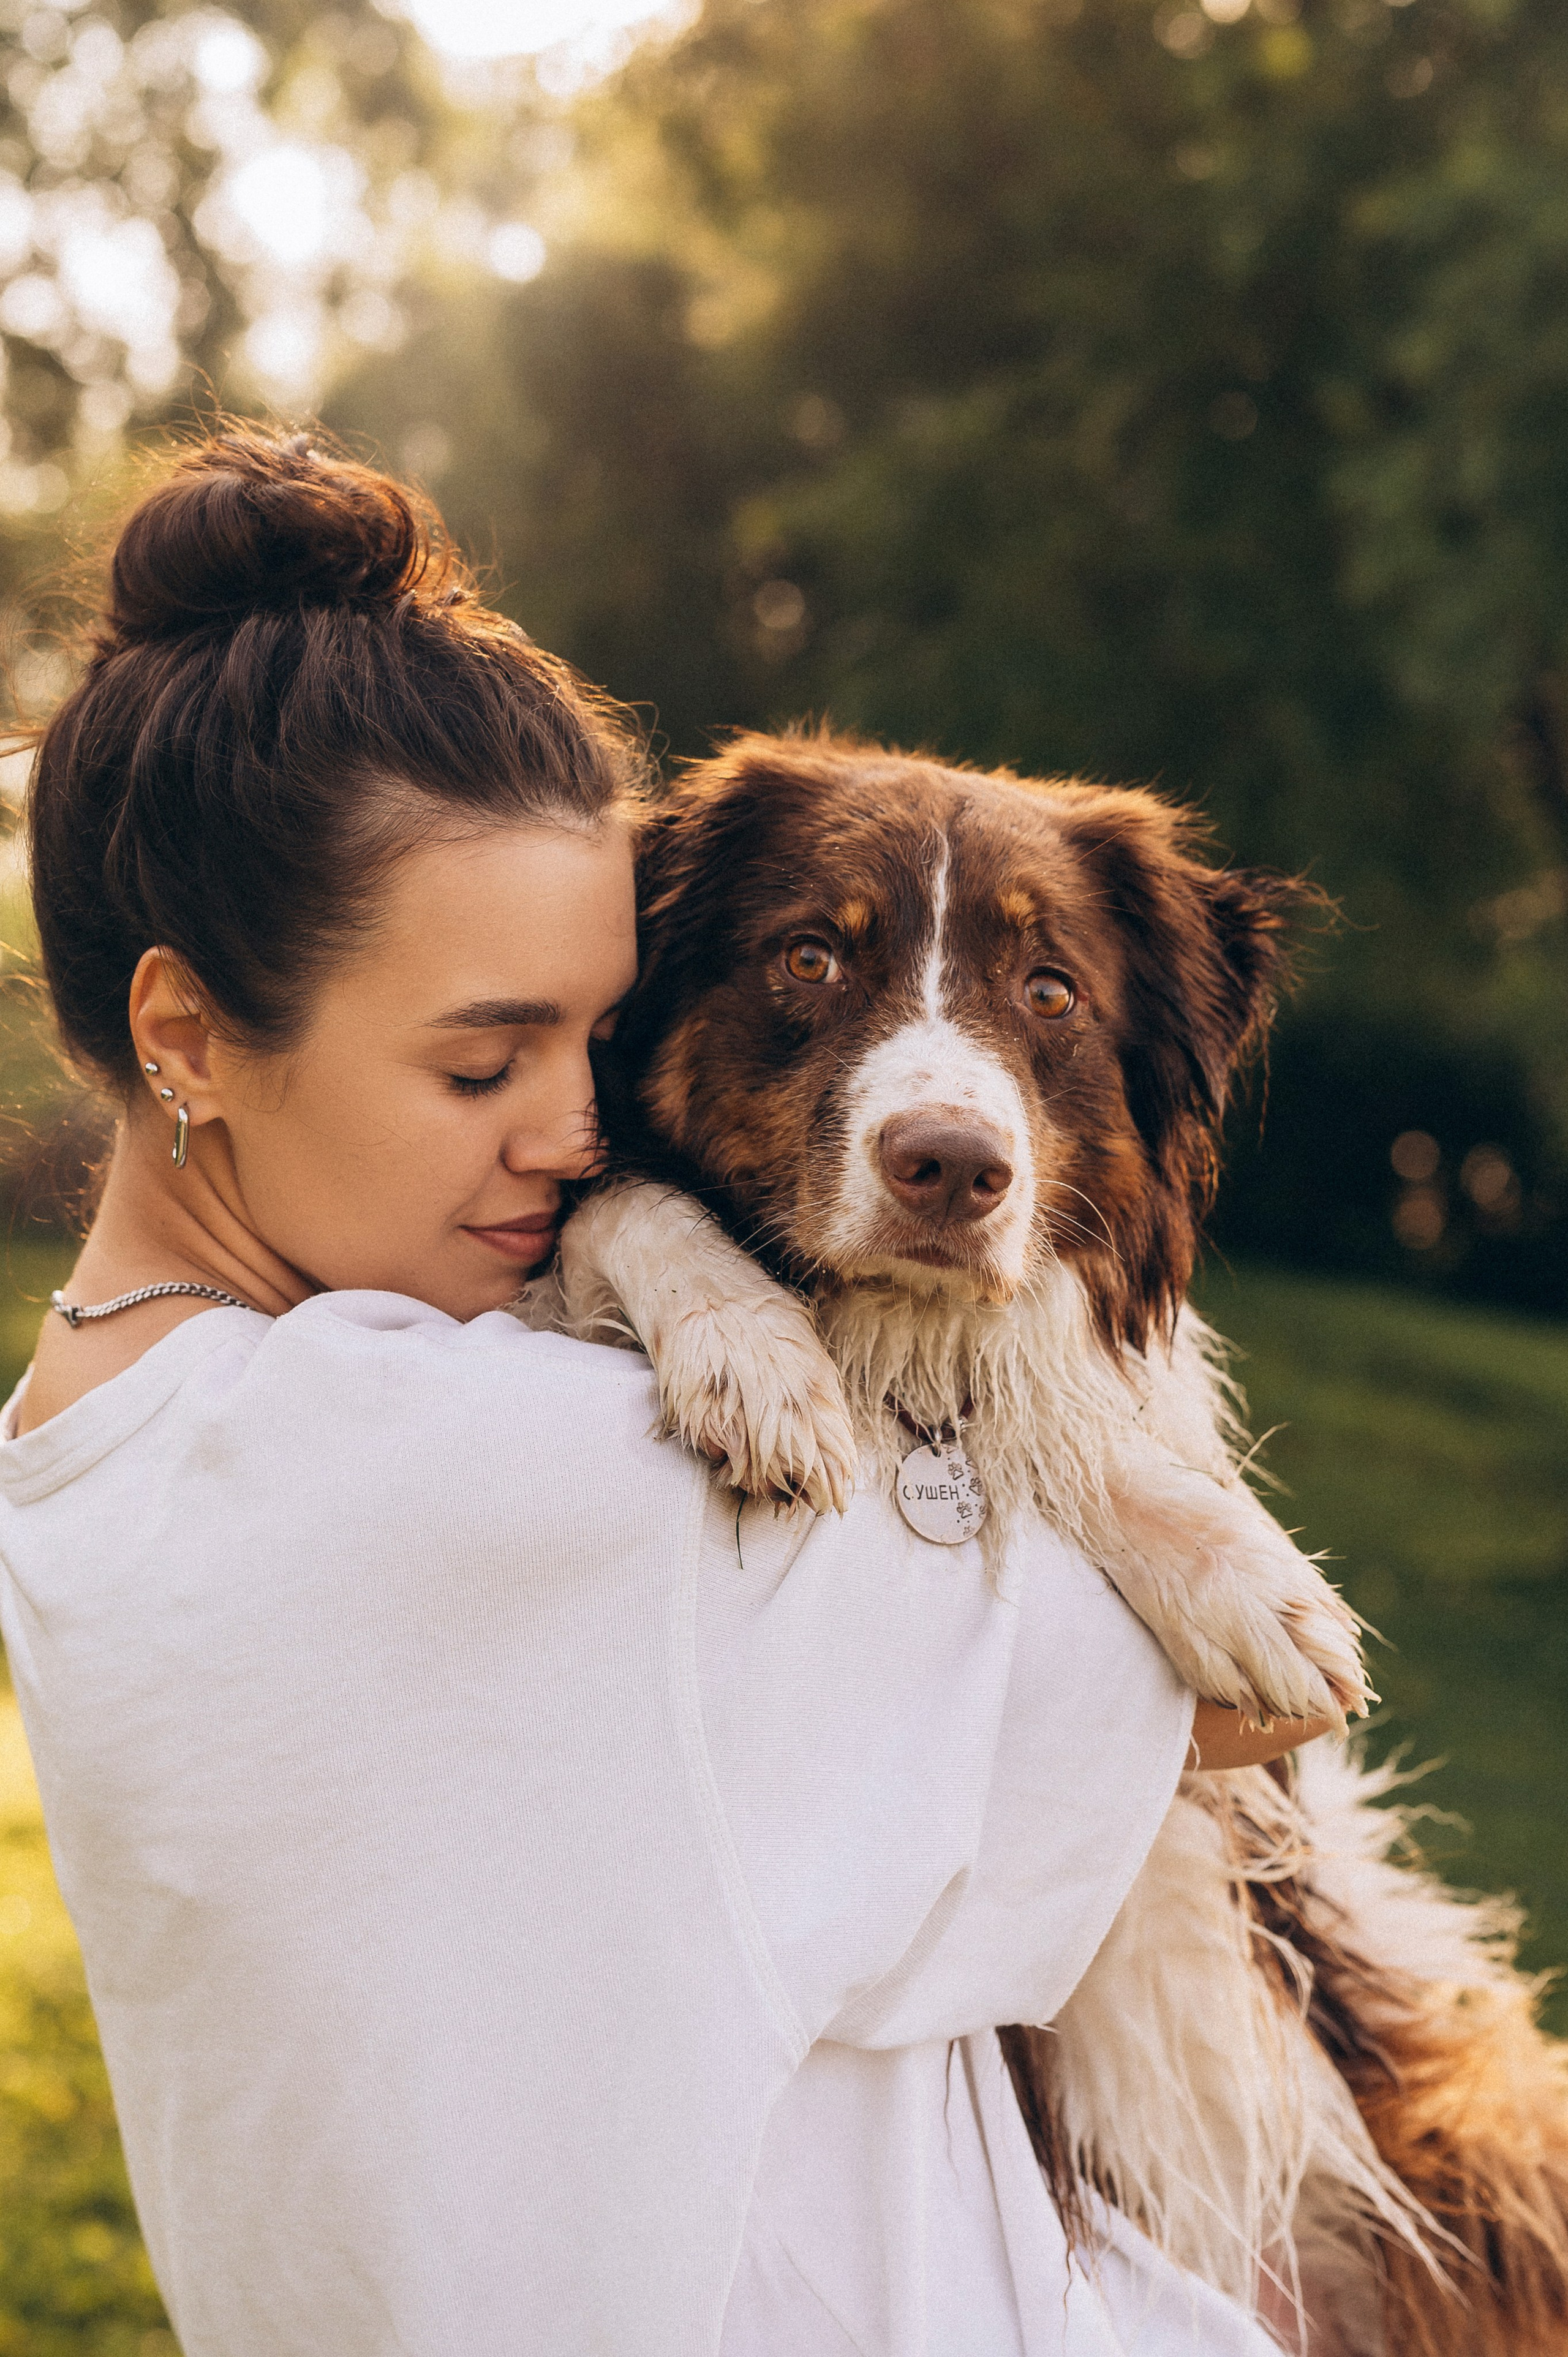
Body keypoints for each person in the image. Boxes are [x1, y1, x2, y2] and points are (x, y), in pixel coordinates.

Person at [0, 429, 1325, 2357]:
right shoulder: (485, 1487)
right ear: (189, 1035)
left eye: (595, 1041)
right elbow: (1218, 1702)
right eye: (482, 1066)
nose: (579, 1131)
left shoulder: (89, 1476)